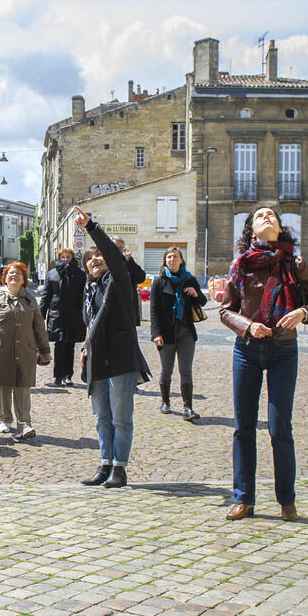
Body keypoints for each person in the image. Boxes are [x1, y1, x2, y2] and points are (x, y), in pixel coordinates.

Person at [218, 204, 308, 521]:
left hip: (283, 350)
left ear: (280, 228)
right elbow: (225, 311)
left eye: (272, 215)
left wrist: (304, 313)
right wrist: (247, 326)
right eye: (259, 216)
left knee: (280, 426)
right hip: (247, 350)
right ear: (251, 229)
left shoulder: (295, 264)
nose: (266, 217)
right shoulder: (240, 266)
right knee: (244, 428)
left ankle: (287, 500)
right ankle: (244, 498)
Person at [74, 208, 149, 488]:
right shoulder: (89, 289)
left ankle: (120, 466)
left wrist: (91, 227)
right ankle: (105, 463)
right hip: (97, 358)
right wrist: (85, 347)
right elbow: (91, 325)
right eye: (90, 257)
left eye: (100, 256)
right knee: (101, 416)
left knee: (120, 417)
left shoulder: (118, 280)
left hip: (119, 357)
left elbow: (114, 257)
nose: (95, 259)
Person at [0, 261, 50, 440]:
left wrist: (44, 350)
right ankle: (5, 419)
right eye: (10, 274)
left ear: (24, 279)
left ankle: (25, 424)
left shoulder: (30, 299)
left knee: (22, 386)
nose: (14, 276)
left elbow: (39, 326)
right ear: (5, 278)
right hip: (1, 349)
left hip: (26, 350)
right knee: (3, 384)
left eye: (18, 274)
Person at [150, 246, 204, 421]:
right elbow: (154, 310)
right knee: (166, 370)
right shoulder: (159, 282)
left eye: (175, 257)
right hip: (166, 334)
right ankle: (165, 402)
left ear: (181, 260)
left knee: (186, 370)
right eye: (169, 257)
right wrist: (156, 333)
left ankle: (188, 407)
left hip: (186, 332)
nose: (171, 260)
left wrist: (196, 294)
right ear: (165, 261)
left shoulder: (190, 280)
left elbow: (202, 301)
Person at [40, 247, 86, 387]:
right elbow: (46, 296)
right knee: (59, 345)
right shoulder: (52, 274)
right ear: (59, 258)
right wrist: (39, 316)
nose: (65, 259)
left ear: (72, 258)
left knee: (70, 345)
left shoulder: (80, 274)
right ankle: (58, 376)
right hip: (57, 314)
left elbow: (83, 295)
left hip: (73, 315)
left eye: (68, 257)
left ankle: (68, 375)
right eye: (63, 257)